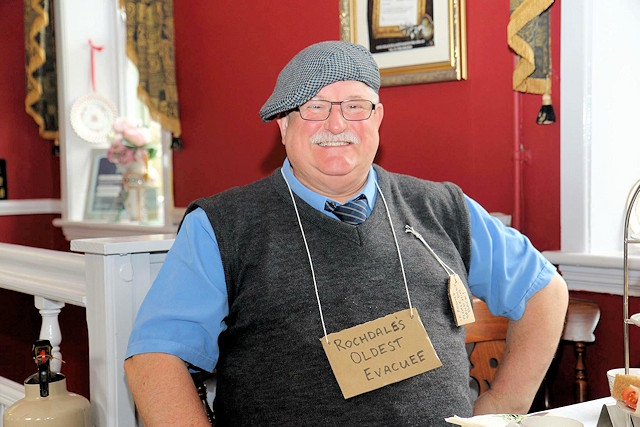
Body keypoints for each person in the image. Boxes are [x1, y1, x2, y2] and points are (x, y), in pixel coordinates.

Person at [124, 40, 568, 426]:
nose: (337, 125)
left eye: (355, 106)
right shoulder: (222, 225)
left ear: (377, 118)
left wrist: (503, 404)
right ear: (283, 125)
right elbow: (153, 359)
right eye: (315, 107)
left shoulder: (442, 207)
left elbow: (545, 291)